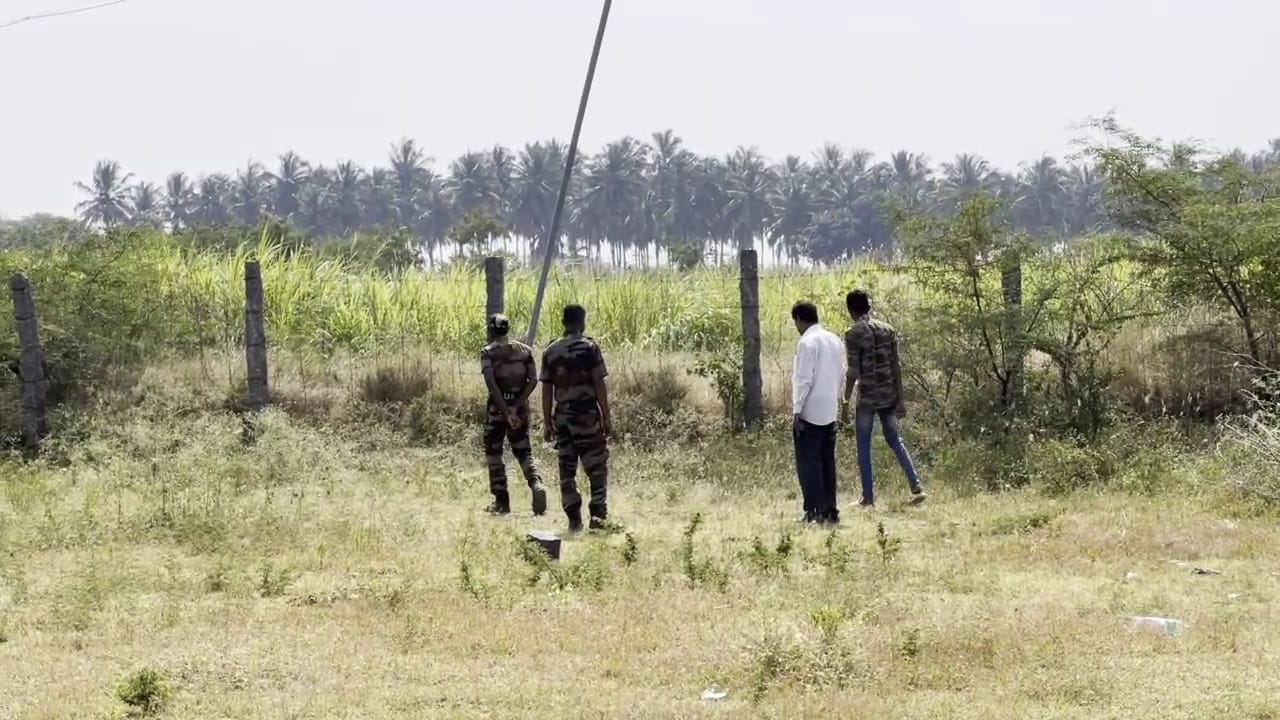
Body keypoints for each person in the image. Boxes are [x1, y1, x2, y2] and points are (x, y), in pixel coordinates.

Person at [842, 289, 927, 507]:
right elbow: (896, 366)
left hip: (868, 397)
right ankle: (915, 484)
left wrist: (845, 401)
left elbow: (853, 371)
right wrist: (901, 399)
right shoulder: (887, 330)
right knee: (895, 440)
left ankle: (868, 497)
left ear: (850, 309)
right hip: (889, 395)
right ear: (869, 307)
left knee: (863, 445)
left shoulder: (853, 334)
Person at [540, 304, 613, 532]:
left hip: (563, 418)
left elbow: (546, 389)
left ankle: (573, 520)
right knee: (597, 467)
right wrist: (606, 416)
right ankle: (598, 518)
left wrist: (547, 422)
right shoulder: (590, 348)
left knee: (567, 468)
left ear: (563, 322)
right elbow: (598, 383)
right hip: (587, 415)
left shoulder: (551, 351)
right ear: (582, 322)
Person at [480, 313, 548, 516]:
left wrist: (504, 410)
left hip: (496, 411)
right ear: (507, 330)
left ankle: (501, 501)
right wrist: (516, 407)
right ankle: (536, 484)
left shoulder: (488, 352)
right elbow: (533, 380)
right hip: (520, 410)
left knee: (494, 453)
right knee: (523, 450)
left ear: (491, 331)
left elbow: (491, 383)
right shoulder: (525, 351)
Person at [790, 301, 846, 524]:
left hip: (810, 410)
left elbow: (803, 379)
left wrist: (796, 410)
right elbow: (841, 374)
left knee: (808, 462)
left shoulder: (806, 343)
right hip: (830, 409)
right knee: (826, 461)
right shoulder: (834, 340)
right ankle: (831, 509)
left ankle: (814, 509)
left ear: (799, 319)